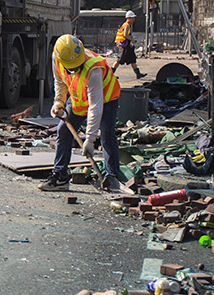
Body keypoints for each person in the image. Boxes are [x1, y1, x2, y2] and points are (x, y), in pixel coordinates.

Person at [42, 34, 123, 193]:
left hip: (106, 98)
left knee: (106, 134)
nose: (75, 69)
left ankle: (112, 177)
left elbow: (95, 106)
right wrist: (58, 101)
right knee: (63, 131)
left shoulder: (94, 69)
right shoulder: (57, 58)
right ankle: (60, 177)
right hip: (79, 98)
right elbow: (59, 80)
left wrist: (90, 140)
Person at [115, 10, 146, 79]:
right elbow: (125, 35)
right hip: (125, 47)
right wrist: (132, 40)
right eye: (133, 18)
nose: (134, 19)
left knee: (132, 60)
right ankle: (110, 74)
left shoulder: (126, 25)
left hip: (128, 46)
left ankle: (138, 74)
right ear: (129, 18)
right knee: (119, 60)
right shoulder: (127, 25)